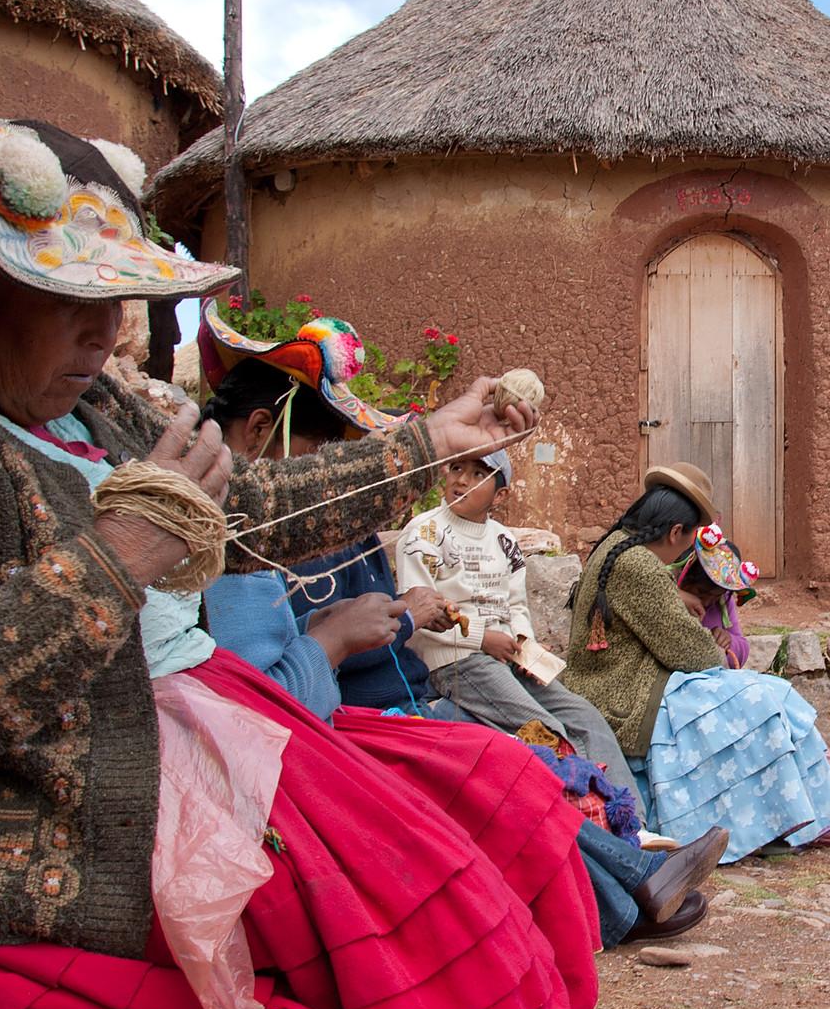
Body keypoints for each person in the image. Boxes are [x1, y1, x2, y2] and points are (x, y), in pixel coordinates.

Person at [0, 38, 576, 1009]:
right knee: (411, 904)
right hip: (58, 791)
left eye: (118, 307)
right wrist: (114, 559)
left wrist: (422, 447)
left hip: (185, 730)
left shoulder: (77, 405)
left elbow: (242, 498)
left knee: (494, 802)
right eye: (75, 307)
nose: (108, 339)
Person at [195, 322, 725, 947]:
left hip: (447, 678)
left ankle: (635, 856)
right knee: (513, 757)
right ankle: (624, 892)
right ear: (260, 434)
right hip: (407, 689)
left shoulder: (491, 543)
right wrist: (360, 632)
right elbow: (262, 705)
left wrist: (518, 643)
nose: (331, 483)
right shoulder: (244, 557)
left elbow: (511, 606)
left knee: (551, 734)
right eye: (324, 461)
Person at [564, 463, 830, 861]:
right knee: (766, 698)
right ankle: (771, 821)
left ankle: (774, 821)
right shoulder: (639, 565)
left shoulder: (615, 546)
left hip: (615, 681)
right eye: (685, 545)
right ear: (675, 532)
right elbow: (693, 654)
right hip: (626, 696)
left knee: (763, 695)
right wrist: (712, 644)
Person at [395, 448, 642, 804]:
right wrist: (483, 639)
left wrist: (522, 644)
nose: (462, 480)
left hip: (505, 656)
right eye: (457, 468)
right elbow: (419, 614)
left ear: (501, 494)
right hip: (454, 661)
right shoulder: (425, 532)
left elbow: (515, 605)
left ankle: (636, 822)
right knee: (547, 731)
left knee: (584, 716)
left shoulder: (504, 541)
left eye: (479, 474)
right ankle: (604, 826)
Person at [675, 523, 760, 668]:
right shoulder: (665, 593)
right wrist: (676, 596)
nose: (707, 601)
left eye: (715, 596)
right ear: (684, 576)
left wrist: (730, 641)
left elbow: (743, 648)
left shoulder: (722, 602)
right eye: (701, 592)